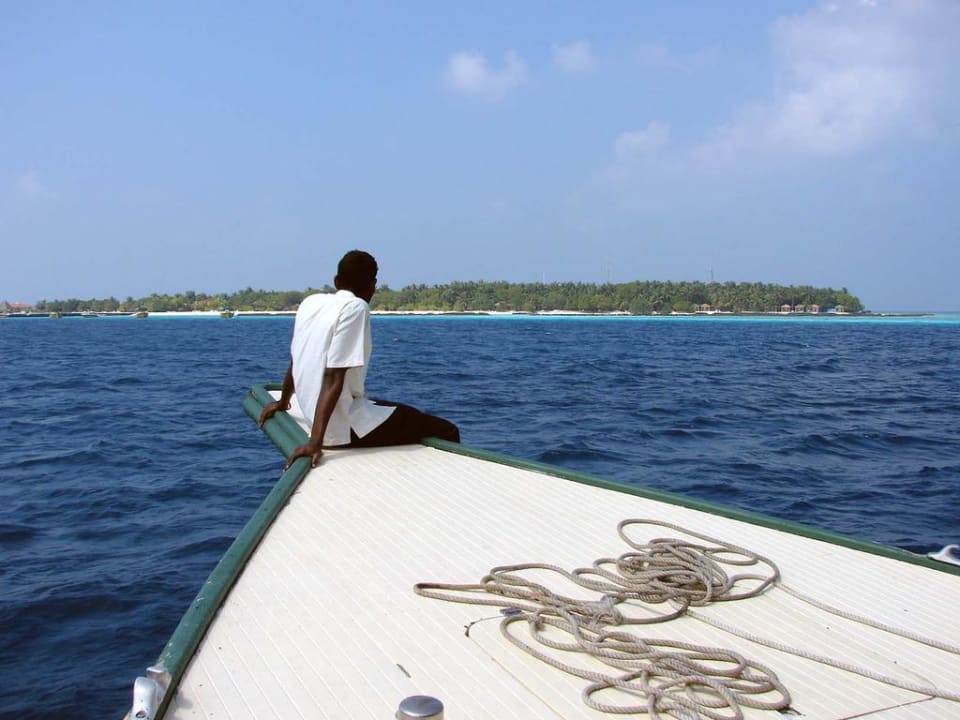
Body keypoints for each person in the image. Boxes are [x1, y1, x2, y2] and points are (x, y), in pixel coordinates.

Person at [258, 250, 460, 468]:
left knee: (399, 411)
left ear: (336, 281)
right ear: (372, 285)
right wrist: (316, 442)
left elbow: (295, 358)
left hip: (317, 416)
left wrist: (282, 400)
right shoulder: (356, 307)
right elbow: (334, 377)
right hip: (341, 431)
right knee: (446, 430)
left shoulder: (310, 303)